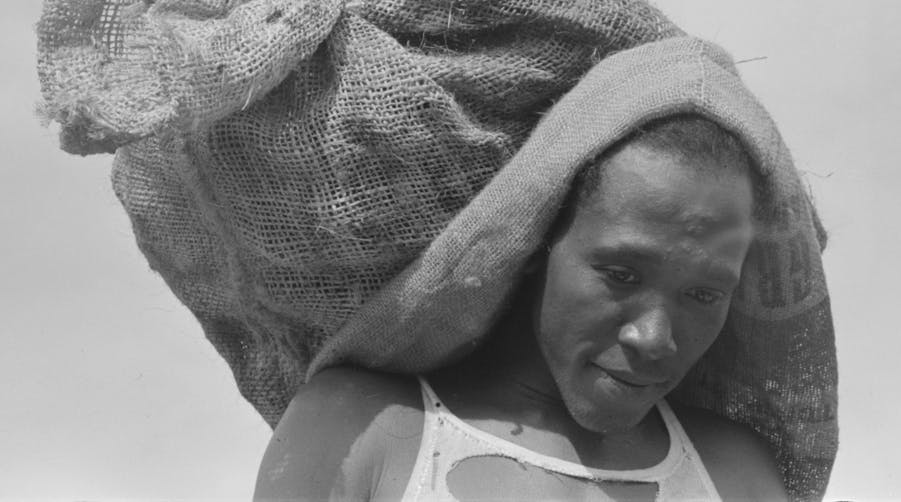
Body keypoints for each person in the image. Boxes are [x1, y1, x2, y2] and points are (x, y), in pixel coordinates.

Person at [254, 115, 788, 501]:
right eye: (621, 275)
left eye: (705, 295)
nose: (654, 338)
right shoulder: (368, 429)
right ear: (537, 244)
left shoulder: (732, 473)